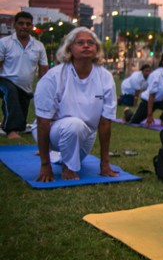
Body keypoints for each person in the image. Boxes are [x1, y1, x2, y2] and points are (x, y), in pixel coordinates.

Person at [32, 27, 117, 182]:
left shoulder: (105, 77)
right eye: (80, 43)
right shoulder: (54, 76)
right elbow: (43, 121)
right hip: (52, 130)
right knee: (74, 125)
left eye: (90, 43)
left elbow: (105, 122)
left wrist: (104, 164)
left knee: (76, 132)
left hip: (86, 134)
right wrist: (45, 164)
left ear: (96, 50)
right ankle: (68, 168)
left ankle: (62, 158)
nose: (86, 46)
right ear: (69, 49)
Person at [0, 11, 48, 139]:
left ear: (32, 26)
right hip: (4, 81)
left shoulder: (39, 46)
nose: (24, 26)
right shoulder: (4, 43)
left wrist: (44, 88)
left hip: (25, 87)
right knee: (10, 92)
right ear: (14, 25)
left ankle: (7, 125)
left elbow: (44, 69)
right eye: (21, 23)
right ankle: (11, 131)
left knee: (21, 123)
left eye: (28, 24)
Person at [126, 51, 163, 126]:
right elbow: (152, 95)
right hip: (149, 101)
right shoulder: (156, 74)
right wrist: (149, 115)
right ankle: (128, 113)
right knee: (134, 121)